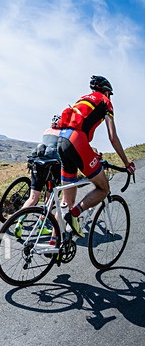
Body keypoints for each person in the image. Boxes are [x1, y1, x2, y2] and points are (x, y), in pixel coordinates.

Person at [42, 75, 136, 237]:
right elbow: (112, 137)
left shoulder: (84, 99)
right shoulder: (105, 102)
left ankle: (54, 243)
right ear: (107, 92)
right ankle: (74, 215)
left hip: (63, 140)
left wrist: (92, 153)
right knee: (103, 188)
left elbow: (78, 130)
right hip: (76, 141)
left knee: (67, 201)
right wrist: (127, 163)